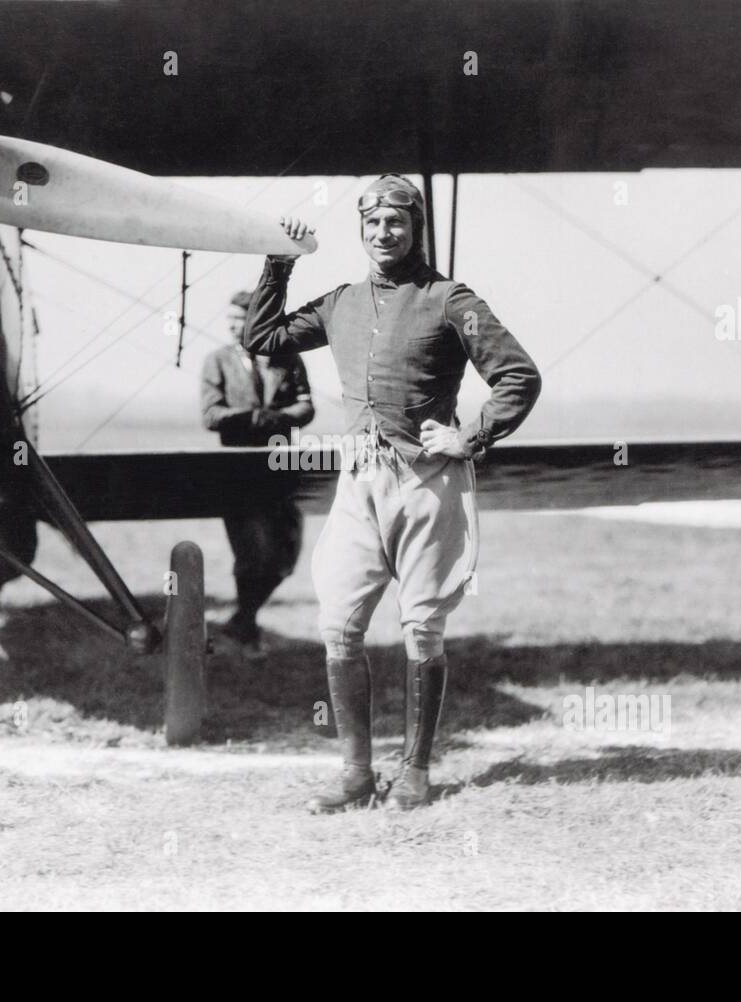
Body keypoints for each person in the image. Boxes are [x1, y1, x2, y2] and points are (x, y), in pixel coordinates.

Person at [244, 174, 540, 811]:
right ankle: (355, 775)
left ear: (415, 229)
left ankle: (414, 771)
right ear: (362, 229)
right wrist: (279, 262)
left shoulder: (450, 299)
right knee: (337, 625)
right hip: (359, 482)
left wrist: (470, 436)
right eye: (373, 223)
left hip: (428, 481)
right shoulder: (341, 302)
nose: (384, 233)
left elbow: (519, 375)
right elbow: (262, 339)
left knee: (422, 629)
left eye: (396, 223)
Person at [201, 290, 315, 656]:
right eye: (230, 320)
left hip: (281, 470)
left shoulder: (288, 358)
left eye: (240, 319)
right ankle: (246, 628)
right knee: (252, 554)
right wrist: (250, 418)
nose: (233, 326)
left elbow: (306, 407)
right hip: (237, 471)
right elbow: (210, 415)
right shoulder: (217, 361)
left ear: (258, 321)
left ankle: (242, 621)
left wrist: (278, 418)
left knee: (286, 556)